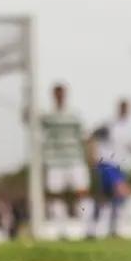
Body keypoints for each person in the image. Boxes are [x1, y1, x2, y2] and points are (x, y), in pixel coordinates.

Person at [40, 83, 92, 235]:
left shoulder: (74, 115)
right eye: (57, 93)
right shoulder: (47, 117)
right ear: (53, 95)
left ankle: (87, 229)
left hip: (75, 160)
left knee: (82, 192)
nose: (60, 96)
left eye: (62, 93)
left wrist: (90, 155)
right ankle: (61, 231)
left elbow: (84, 137)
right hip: (55, 162)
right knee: (56, 195)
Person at [88, 97, 131, 238]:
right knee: (121, 192)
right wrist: (93, 155)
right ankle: (97, 229)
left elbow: (128, 146)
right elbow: (92, 136)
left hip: (119, 165)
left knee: (107, 199)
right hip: (107, 164)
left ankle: (108, 230)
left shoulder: (127, 127)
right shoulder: (109, 124)